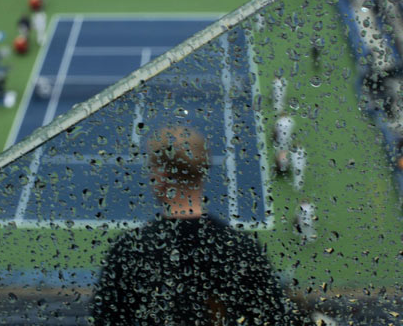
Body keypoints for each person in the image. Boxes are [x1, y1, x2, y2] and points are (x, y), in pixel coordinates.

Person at [92, 127, 310, 325]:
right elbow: (272, 317)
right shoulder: (240, 248)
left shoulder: (130, 249)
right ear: (202, 171)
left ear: (162, 176)